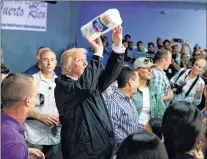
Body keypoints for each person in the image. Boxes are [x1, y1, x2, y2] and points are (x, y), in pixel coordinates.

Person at [54, 26, 125, 159]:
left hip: (104, 148)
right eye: (80, 60)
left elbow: (111, 72)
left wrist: (117, 45)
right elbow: (85, 88)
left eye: (86, 59)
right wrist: (97, 53)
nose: (86, 63)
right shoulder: (63, 87)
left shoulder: (91, 82)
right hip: (84, 153)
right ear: (67, 68)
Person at [24, 50, 61, 159]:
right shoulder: (30, 81)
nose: (49, 63)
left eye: (52, 60)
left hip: (55, 136)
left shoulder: (61, 82)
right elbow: (21, 107)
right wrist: (39, 116)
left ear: (56, 62)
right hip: (34, 136)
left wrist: (62, 118)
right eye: (45, 60)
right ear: (39, 62)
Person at [1, 73, 45, 159]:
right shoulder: (15, 143)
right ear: (27, 101)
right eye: (35, 96)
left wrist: (25, 152)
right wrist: (18, 150)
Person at [106, 67, 144, 145]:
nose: (138, 84)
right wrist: (130, 143)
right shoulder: (113, 102)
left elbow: (134, 124)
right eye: (137, 81)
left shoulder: (129, 100)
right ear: (130, 82)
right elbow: (111, 130)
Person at [133, 57, 166, 125]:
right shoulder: (130, 89)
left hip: (149, 131)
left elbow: (161, 112)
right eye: (146, 67)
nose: (150, 70)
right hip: (133, 130)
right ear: (137, 70)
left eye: (151, 67)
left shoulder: (155, 90)